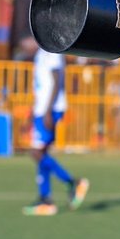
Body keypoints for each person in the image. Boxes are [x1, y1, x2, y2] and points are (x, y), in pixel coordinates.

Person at [24, 40, 89, 215]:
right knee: (41, 154)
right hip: (42, 109)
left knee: (36, 153)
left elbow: (56, 80)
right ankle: (46, 200)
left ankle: (72, 182)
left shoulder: (52, 50)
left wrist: (47, 111)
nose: (25, 43)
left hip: (49, 109)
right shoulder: (41, 53)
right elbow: (41, 85)